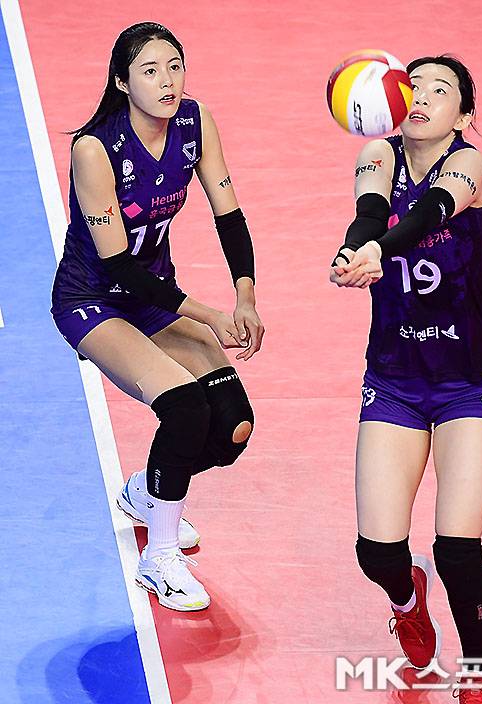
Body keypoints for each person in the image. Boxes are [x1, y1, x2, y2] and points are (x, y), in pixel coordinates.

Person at [51, 22, 264, 612]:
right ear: (122, 82)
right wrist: (209, 314)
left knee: (232, 427)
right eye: (150, 71)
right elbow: (119, 267)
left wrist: (245, 296)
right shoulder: (95, 149)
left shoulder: (194, 123)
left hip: (153, 297)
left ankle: (146, 492)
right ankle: (160, 559)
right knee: (185, 407)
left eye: (175, 67)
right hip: (94, 300)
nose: (168, 81)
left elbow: (229, 215)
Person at [330, 55, 482, 703]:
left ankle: (478, 675)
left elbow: (430, 211)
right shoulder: (378, 153)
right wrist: (353, 251)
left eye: (441, 89)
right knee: (377, 552)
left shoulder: (470, 164)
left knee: (457, 547)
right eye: (415, 85)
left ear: (464, 114)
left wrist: (380, 249)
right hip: (395, 381)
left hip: (468, 383)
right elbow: (370, 213)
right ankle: (407, 601)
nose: (423, 96)